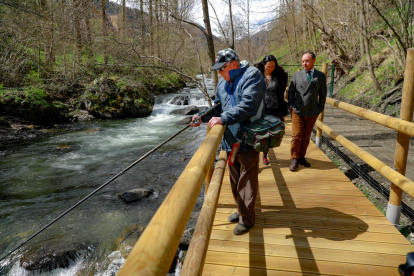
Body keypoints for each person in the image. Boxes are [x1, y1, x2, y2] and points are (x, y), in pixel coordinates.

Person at [190, 48, 266, 235]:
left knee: (246, 180)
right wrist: (202, 116)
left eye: (222, 69)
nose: (220, 73)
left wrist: (223, 119)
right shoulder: (223, 84)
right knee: (234, 179)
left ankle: (247, 220)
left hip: (248, 138)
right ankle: (241, 211)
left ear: (233, 64)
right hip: (230, 140)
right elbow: (218, 107)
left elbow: (249, 105)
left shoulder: (252, 75)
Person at [288, 51, 327, 171]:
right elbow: (291, 91)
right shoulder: (297, 75)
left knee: (306, 136)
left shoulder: (320, 76)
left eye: (307, 61)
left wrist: (320, 108)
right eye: (303, 61)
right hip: (298, 109)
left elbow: (323, 93)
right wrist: (291, 105)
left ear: (314, 61)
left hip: (312, 110)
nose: (304, 63)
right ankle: (294, 158)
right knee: (296, 135)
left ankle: (301, 157)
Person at [254, 55, 288, 165]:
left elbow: (281, 94)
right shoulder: (257, 74)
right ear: (264, 65)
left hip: (273, 109)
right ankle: (254, 158)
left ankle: (264, 155)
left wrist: (280, 112)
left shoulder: (280, 75)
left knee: (268, 135)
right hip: (259, 108)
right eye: (268, 66)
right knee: (256, 134)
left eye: (273, 66)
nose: (271, 68)